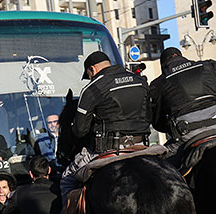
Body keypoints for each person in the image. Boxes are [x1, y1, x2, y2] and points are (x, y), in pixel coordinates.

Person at [61, 51, 151, 202]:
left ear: (92, 70)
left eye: (89, 74)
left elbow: (80, 131)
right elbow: (149, 116)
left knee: (67, 180)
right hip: (141, 144)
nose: (90, 78)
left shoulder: (93, 87)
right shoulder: (140, 81)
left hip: (108, 149)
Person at [150, 47, 216, 145]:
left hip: (187, 135)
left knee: (164, 157)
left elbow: (158, 122)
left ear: (163, 65)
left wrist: (172, 128)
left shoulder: (158, 83)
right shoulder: (209, 65)